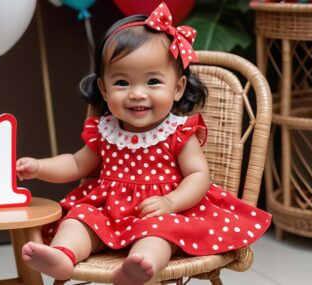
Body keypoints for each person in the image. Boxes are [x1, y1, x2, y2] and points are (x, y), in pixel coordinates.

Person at [16, 3, 271, 284]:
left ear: (178, 88)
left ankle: (141, 266)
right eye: (122, 83)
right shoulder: (105, 130)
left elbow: (199, 176)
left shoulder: (177, 132)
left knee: (159, 233)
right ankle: (63, 256)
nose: (137, 94)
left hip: (162, 211)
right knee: (79, 218)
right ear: (103, 88)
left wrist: (170, 201)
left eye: (152, 82)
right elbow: (76, 163)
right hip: (108, 214)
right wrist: (39, 166)